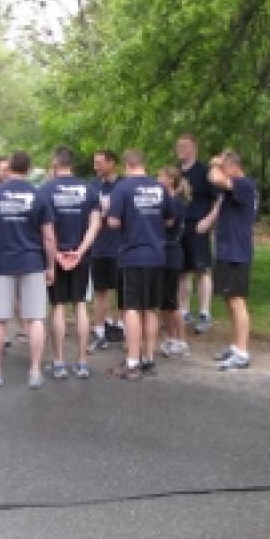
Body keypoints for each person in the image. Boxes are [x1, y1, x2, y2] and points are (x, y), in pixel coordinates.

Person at [0, 151, 57, 388]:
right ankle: (34, 372)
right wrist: (50, 265)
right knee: (35, 319)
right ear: (29, 169)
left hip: (2, 262)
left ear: (9, 167)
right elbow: (49, 237)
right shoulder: (39, 196)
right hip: (32, 262)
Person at [104, 149, 173, 381]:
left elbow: (113, 222)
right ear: (143, 164)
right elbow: (170, 219)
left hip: (132, 254)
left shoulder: (122, 188)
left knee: (132, 307)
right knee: (150, 308)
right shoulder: (160, 188)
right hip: (156, 254)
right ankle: (148, 359)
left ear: (126, 165)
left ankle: (132, 361)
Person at [39, 145, 101, 380]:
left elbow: (44, 229)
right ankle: (82, 362)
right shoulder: (89, 190)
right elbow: (95, 224)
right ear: (72, 165)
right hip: (81, 258)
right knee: (81, 306)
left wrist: (55, 255)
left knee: (58, 307)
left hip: (55, 257)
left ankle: (59, 362)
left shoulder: (45, 190)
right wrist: (79, 252)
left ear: (55, 164)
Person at [205, 149, 257, 371]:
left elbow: (215, 177)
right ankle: (236, 346)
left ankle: (243, 353)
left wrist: (216, 163)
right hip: (227, 251)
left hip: (237, 251)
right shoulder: (232, 187)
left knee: (237, 302)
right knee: (229, 300)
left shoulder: (244, 185)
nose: (220, 172)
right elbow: (214, 180)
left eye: (225, 168)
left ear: (234, 167)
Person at [176, 133, 216, 334]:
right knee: (181, 271)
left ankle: (204, 312)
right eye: (178, 146)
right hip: (179, 226)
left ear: (194, 148)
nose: (180, 149)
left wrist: (208, 220)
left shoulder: (204, 172)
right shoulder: (175, 172)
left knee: (202, 269)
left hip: (198, 225)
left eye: (184, 146)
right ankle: (183, 311)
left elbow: (219, 200)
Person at [87, 149, 123, 352]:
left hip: (120, 246)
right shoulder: (92, 186)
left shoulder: (123, 185)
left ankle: (121, 327)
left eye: (99, 163)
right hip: (99, 246)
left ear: (112, 163)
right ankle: (100, 329)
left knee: (123, 292)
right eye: (94, 163)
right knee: (100, 290)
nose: (96, 167)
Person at [157, 166, 190, 358]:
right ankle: (170, 337)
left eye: (161, 176)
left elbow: (169, 223)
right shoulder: (164, 200)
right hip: (162, 254)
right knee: (164, 300)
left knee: (171, 300)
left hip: (172, 253)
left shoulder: (175, 202)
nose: (157, 179)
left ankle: (181, 339)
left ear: (170, 180)